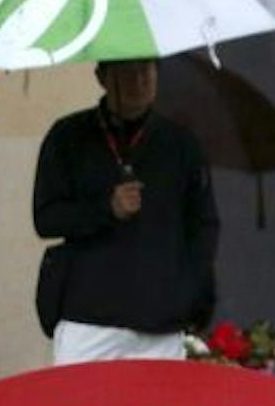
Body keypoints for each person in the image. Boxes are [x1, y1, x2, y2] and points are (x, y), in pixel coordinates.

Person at [32, 57, 219, 363]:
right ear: (102, 77)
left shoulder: (180, 144)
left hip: (160, 318)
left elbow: (203, 227)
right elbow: (46, 218)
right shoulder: (68, 136)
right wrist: (106, 209)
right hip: (88, 316)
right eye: (127, 74)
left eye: (147, 71)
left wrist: (190, 295)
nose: (140, 82)